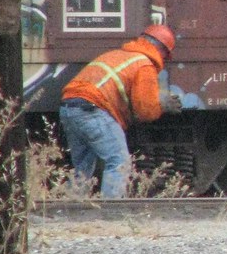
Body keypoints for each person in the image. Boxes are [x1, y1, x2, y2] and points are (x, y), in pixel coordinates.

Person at [58, 23, 181, 198]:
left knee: (83, 168)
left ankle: (71, 208)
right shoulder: (144, 64)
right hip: (92, 109)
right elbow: (145, 111)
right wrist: (161, 104)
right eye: (165, 56)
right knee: (119, 162)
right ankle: (111, 212)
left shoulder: (116, 55)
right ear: (160, 49)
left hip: (69, 108)